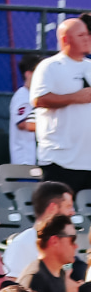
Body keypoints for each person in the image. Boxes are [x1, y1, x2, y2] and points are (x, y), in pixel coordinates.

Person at [32, 18, 91, 192]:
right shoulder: (49, 66)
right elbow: (39, 99)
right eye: (81, 35)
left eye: (87, 34)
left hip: (88, 160)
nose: (87, 39)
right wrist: (74, 97)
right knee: (57, 209)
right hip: (60, 161)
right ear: (65, 39)